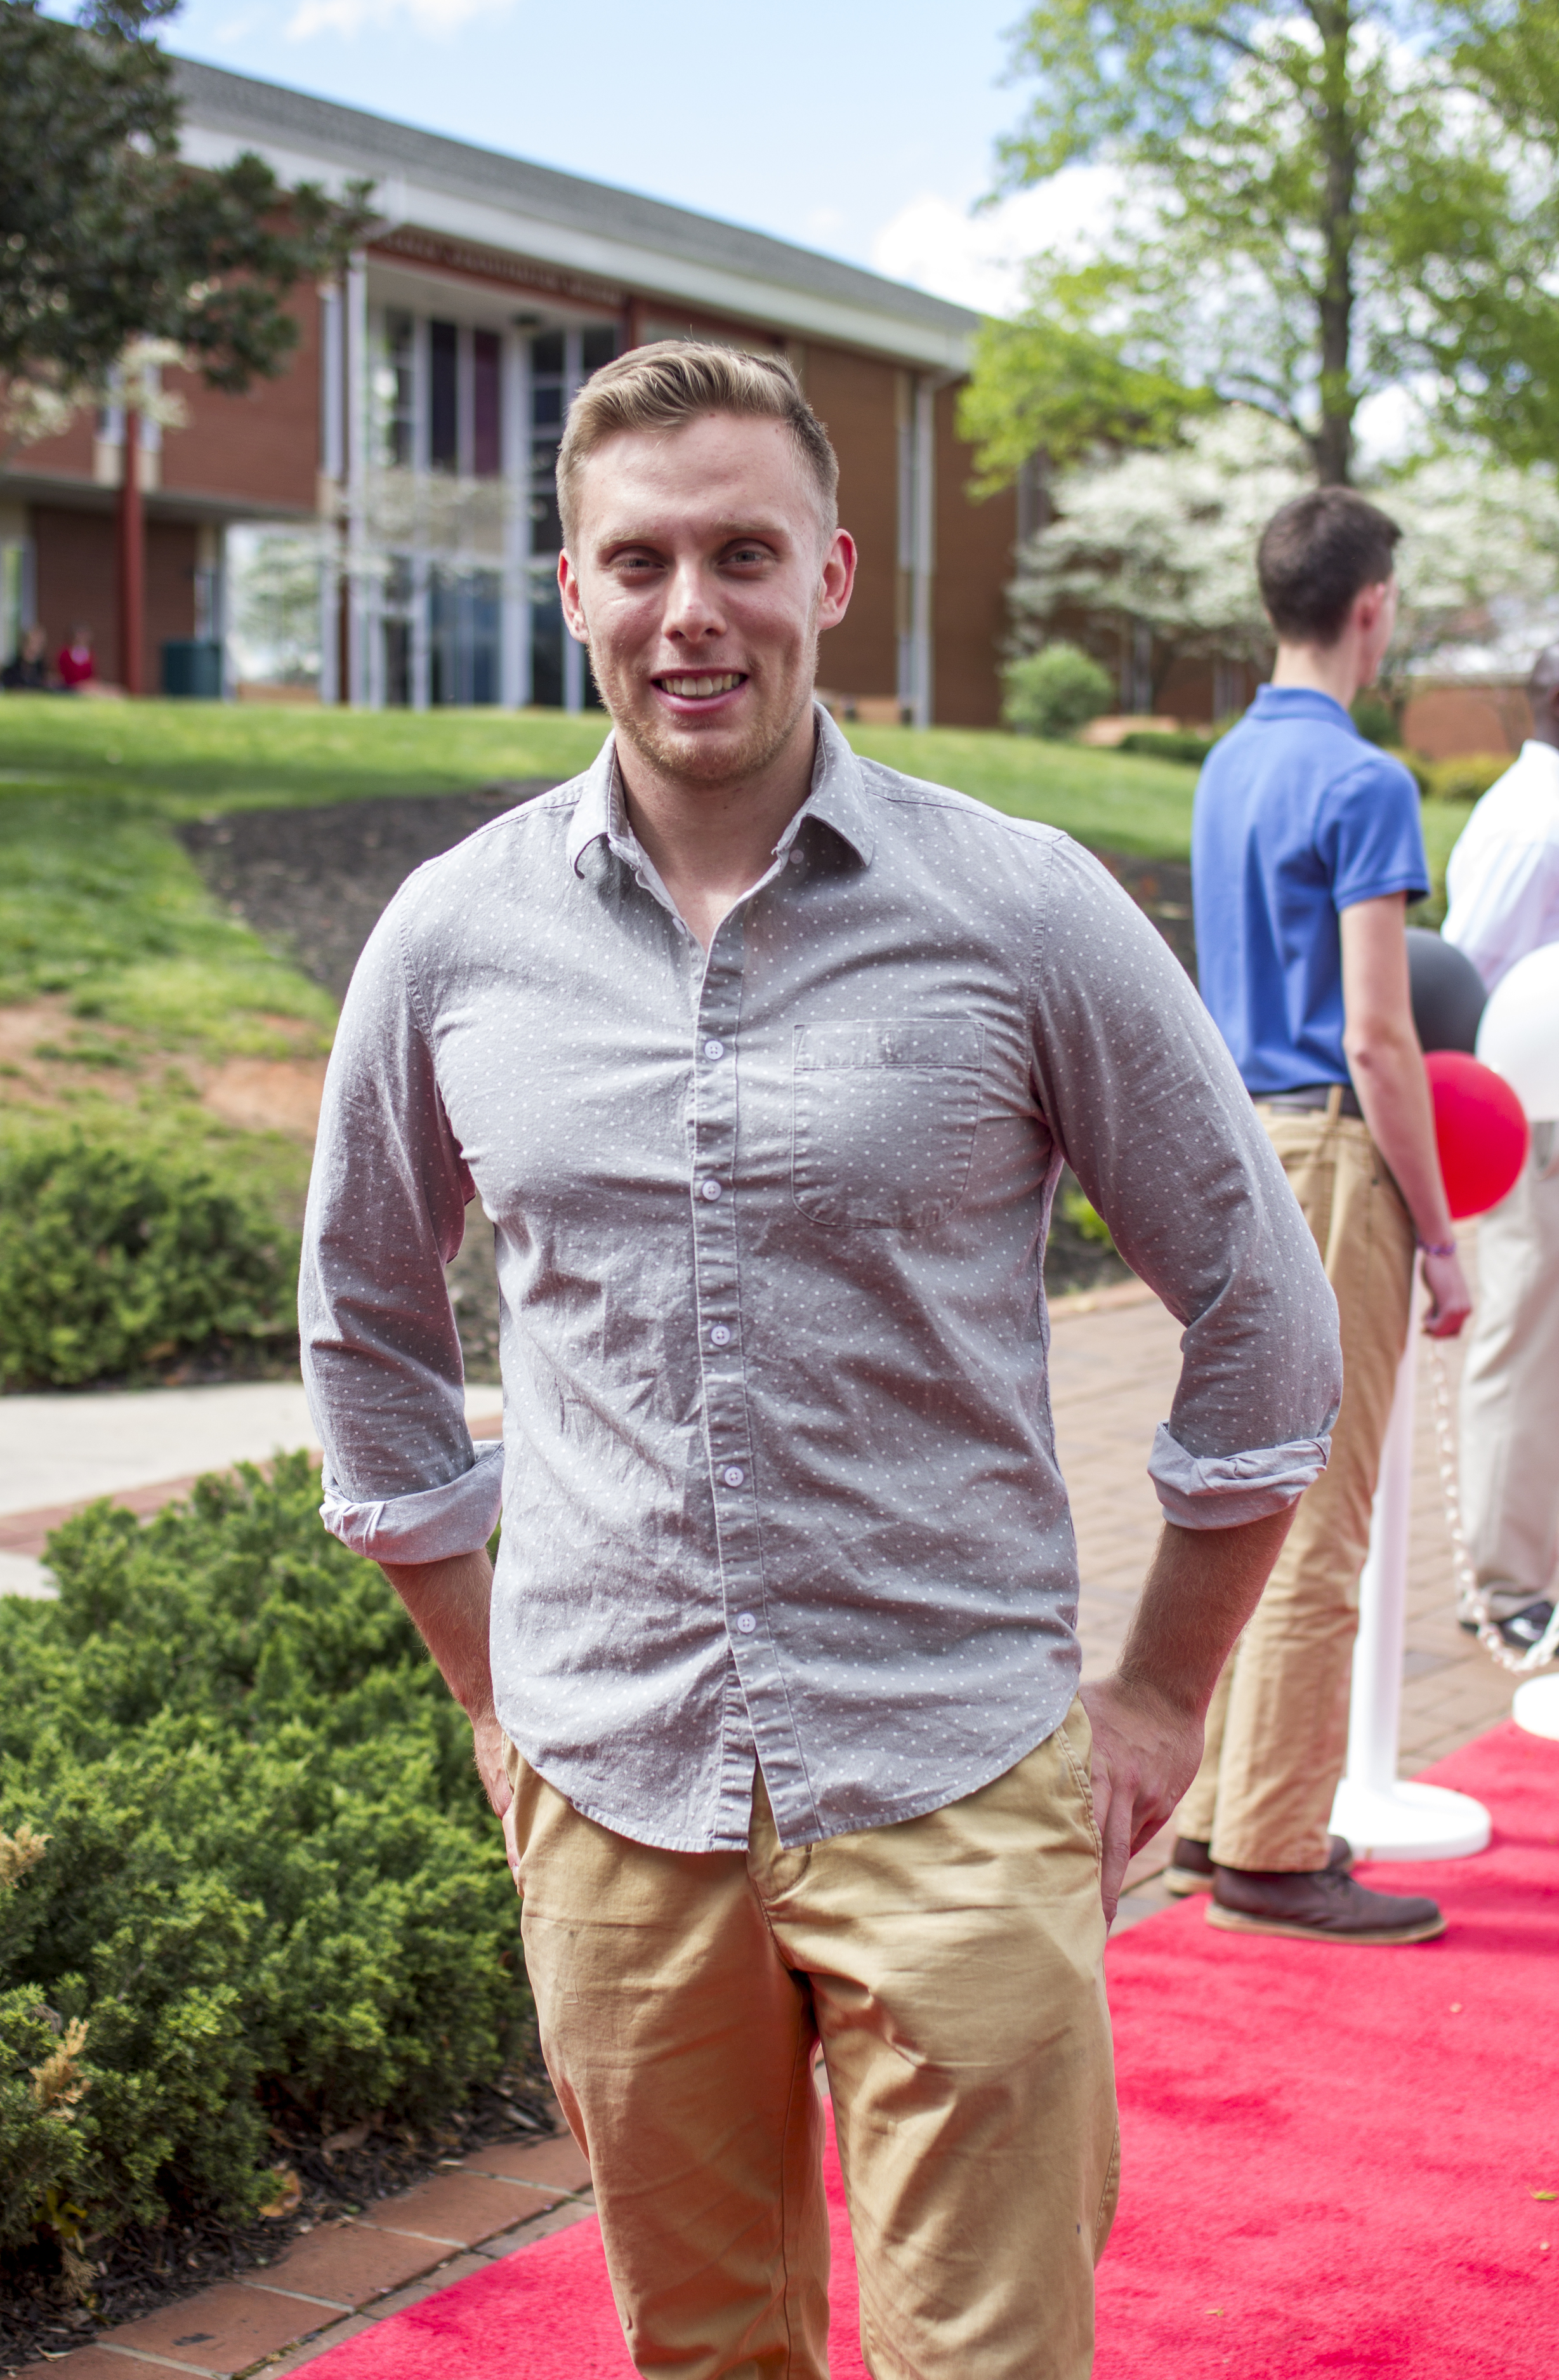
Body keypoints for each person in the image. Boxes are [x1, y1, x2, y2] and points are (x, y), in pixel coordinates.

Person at [300, 343, 1341, 2380]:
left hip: (950, 1764)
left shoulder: (1021, 908)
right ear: (577, 588)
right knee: (701, 2349)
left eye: (740, 552)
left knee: (989, 2358)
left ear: (832, 574)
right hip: (607, 1789)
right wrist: (492, 1694)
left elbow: (1260, 1307)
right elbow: (364, 1318)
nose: (691, 609)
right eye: (640, 560)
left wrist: (1153, 1695)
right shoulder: (450, 938)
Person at [1173, 487, 1472, 1945]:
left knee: (1244, 1487)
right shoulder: (1367, 785)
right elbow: (1378, 1031)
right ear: (1370, 608)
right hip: (1337, 1159)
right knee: (1324, 1517)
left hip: (1236, 1153)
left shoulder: (1227, 766)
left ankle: (1227, 1803)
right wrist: (1444, 1229)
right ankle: (1278, 1848)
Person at [1441, 642, 1559, 1652]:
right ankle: (1507, 1583)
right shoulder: (1534, 825)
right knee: (1523, 1339)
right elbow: (1465, 979)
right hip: (1540, 1114)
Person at [0, 625, 50, 691]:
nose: (33, 648)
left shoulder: (42, 672)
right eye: (31, 643)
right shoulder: (10, 672)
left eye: (38, 645)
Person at [55, 625, 95, 691]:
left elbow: (92, 675)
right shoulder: (65, 653)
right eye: (80, 634)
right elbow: (63, 674)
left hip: (87, 686)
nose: (83, 637)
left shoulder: (90, 654)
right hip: (70, 687)